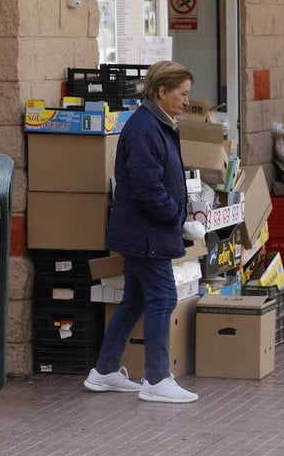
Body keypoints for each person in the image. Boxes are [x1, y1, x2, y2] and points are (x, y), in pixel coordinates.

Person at [84, 60, 202, 404]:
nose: (186, 101)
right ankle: (156, 378)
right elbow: (146, 186)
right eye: (182, 94)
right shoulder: (145, 128)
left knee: (136, 298)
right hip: (146, 233)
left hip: (144, 230)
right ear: (161, 91)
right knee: (163, 298)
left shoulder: (157, 124)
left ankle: (105, 370)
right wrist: (176, 218)